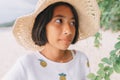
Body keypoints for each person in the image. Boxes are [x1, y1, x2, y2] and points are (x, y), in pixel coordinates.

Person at [2, 0, 100, 80]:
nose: (68, 30)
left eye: (72, 23)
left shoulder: (80, 59)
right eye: (59, 21)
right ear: (43, 26)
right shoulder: (27, 64)